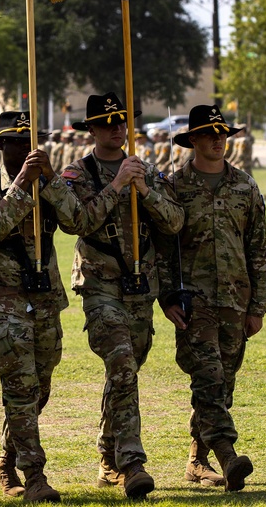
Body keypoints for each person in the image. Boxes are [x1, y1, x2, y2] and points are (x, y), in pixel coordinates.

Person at [42, 92, 183, 500]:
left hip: (141, 288)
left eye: (121, 121)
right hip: (101, 285)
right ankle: (132, 462)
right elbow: (76, 221)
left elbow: (174, 223)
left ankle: (106, 455)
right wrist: (118, 185)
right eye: (106, 123)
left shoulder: (144, 169)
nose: (116, 128)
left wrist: (145, 189)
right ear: (91, 130)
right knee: (121, 360)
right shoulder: (77, 174)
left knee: (125, 372)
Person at [0, 111, 82, 503]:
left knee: (40, 388)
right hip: (6, 301)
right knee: (19, 386)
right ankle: (35, 476)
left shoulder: (50, 181)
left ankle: (7, 457)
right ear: (2, 146)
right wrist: (22, 183)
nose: (26, 147)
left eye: (32, 139)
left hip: (46, 298)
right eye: (17, 141)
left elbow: (75, 221)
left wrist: (48, 182)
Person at [158, 105, 266, 492]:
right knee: (207, 379)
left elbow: (257, 251)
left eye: (222, 133)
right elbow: (161, 250)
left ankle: (196, 460)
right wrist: (166, 297)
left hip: (235, 303)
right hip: (194, 303)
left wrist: (256, 308)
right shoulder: (173, 188)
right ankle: (227, 454)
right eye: (208, 133)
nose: (217, 139)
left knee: (222, 386)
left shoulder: (245, 187)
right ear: (192, 140)